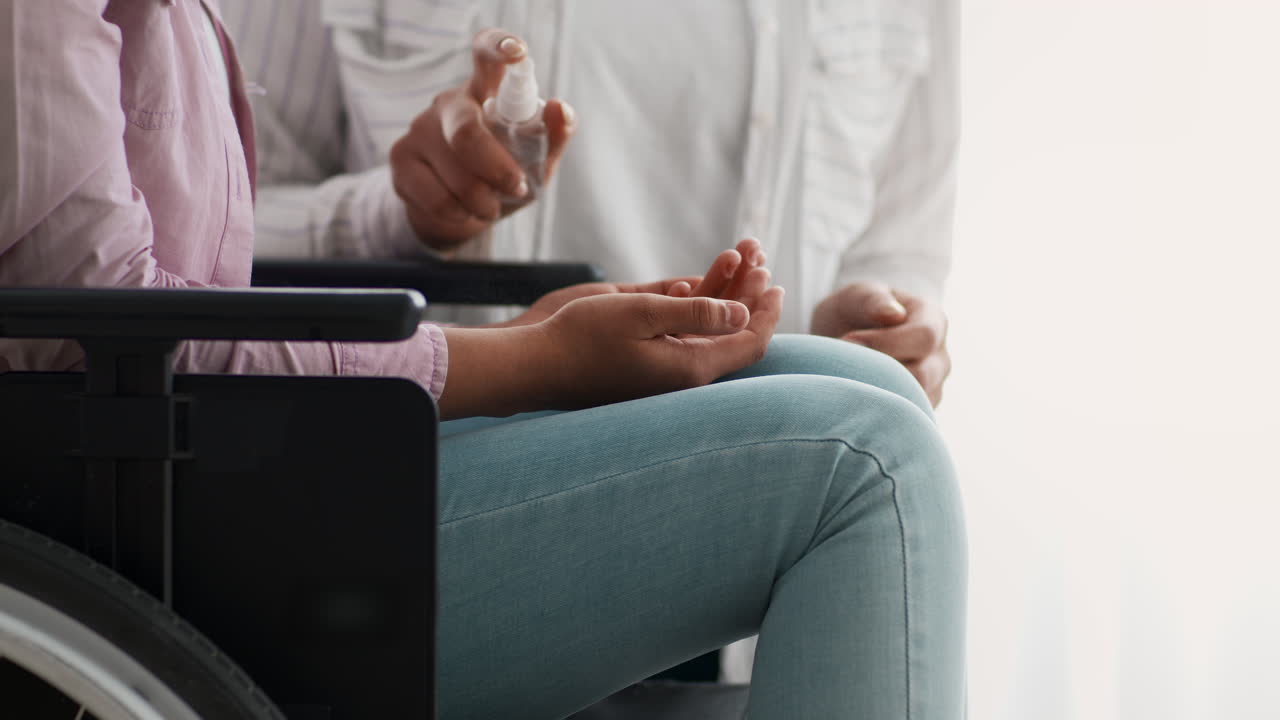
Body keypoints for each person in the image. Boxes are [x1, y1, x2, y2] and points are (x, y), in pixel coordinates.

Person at [0, 2, 966, 718]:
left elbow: (197, 267)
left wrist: (525, 344)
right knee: (869, 463)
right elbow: (92, 324)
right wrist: (527, 354)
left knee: (866, 389)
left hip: (317, 432)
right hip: (180, 515)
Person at [222, 0, 958, 408]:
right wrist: (396, 216)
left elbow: (902, 240)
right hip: (430, 495)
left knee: (882, 442)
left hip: (769, 546)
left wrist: (874, 327)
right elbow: (200, 247)